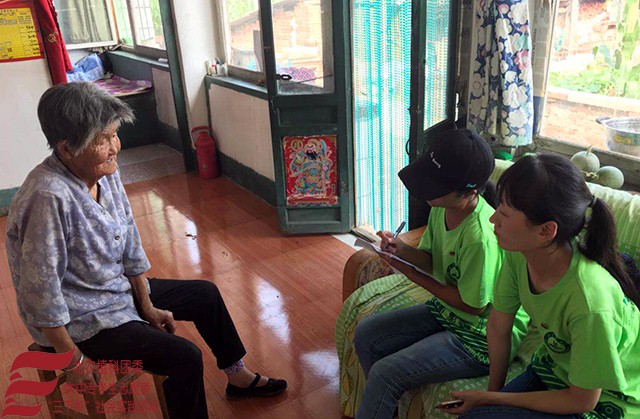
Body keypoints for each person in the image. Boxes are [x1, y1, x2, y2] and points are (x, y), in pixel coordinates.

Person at [5, 82, 287, 419]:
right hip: (79, 321)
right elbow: (39, 292)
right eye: (103, 139)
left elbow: (129, 236)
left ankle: (237, 376)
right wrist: (72, 358)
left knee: (206, 296)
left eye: (114, 135)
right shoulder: (47, 197)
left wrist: (147, 303)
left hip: (113, 291)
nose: (115, 147)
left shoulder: (102, 170)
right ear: (67, 149)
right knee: (184, 357)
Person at [350, 129, 530, 419]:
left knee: (386, 372)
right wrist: (400, 250)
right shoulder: (441, 207)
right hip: (448, 312)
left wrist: (410, 273)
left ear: (469, 192)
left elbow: (474, 306)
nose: (425, 191)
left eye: (434, 185)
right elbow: (431, 260)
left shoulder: (479, 237)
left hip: (479, 335)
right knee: (366, 333)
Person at [446, 154, 640, 418]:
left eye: (504, 213)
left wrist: (490, 399)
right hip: (556, 371)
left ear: (546, 231)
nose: (493, 219)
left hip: (609, 401)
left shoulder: (589, 302)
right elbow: (499, 326)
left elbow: (582, 401)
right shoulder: (519, 255)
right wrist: (492, 395)